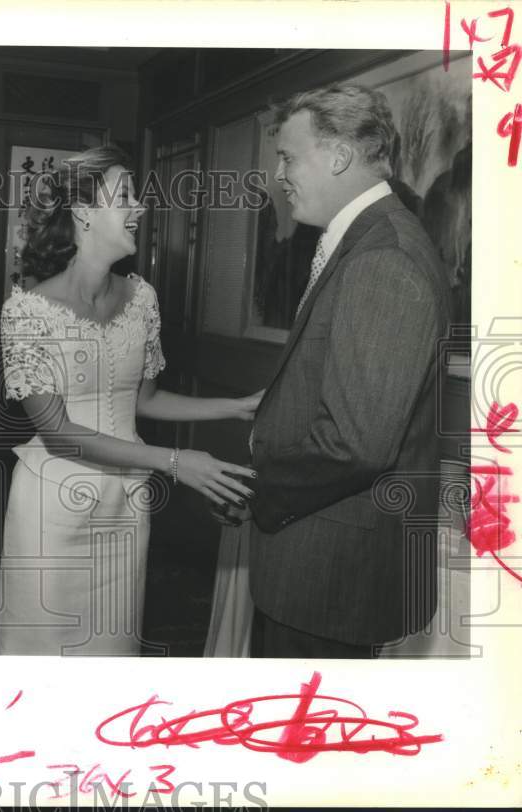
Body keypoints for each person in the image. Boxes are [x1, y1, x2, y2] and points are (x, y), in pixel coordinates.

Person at [0, 145, 261, 656]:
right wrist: (174, 461)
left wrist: (236, 405)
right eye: (126, 196)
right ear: (84, 213)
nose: (140, 208)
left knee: (111, 650)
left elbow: (145, 398)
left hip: (127, 503)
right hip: (54, 502)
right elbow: (59, 433)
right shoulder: (27, 312)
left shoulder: (143, 298)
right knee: (45, 649)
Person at [244, 85, 451, 658]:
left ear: (337, 157)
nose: (279, 174)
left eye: (288, 157)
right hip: (326, 563)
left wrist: (264, 489)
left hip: (329, 574)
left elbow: (356, 444)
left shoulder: (383, 256)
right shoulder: (367, 241)